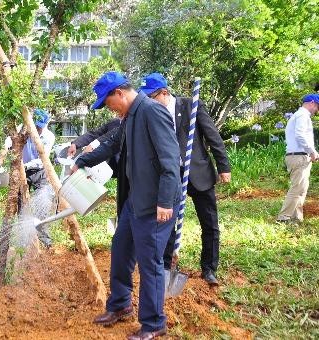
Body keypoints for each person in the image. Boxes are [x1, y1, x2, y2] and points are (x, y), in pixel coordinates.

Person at [72, 72, 181, 339]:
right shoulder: (130, 116)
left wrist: (166, 201)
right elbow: (111, 145)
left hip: (156, 204)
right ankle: (120, 305)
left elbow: (171, 160)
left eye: (108, 103)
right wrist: (83, 161)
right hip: (136, 201)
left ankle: (154, 323)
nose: (109, 109)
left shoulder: (152, 112)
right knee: (121, 250)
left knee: (149, 263)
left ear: (119, 93)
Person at [139, 73, 231, 286]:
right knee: (167, 222)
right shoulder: (150, 113)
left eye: (151, 97)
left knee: (209, 223)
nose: (148, 102)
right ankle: (167, 264)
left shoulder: (191, 105)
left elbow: (212, 136)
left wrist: (223, 166)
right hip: (171, 176)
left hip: (198, 173)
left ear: (164, 93)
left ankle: (209, 268)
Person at [8, 109, 56, 247]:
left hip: (40, 171)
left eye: (41, 126)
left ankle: (45, 241)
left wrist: (24, 165)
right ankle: (24, 242)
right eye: (36, 126)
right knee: (22, 205)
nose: (38, 129)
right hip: (23, 173)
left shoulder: (49, 137)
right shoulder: (22, 130)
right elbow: (8, 142)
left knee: (43, 205)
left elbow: (42, 159)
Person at [276, 94, 319, 223]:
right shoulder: (302, 115)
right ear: (312, 102)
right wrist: (312, 151)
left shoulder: (299, 115)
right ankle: (283, 218)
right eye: (317, 106)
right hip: (299, 156)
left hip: (299, 156)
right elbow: (300, 135)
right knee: (297, 188)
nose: (317, 110)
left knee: (301, 188)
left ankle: (296, 218)